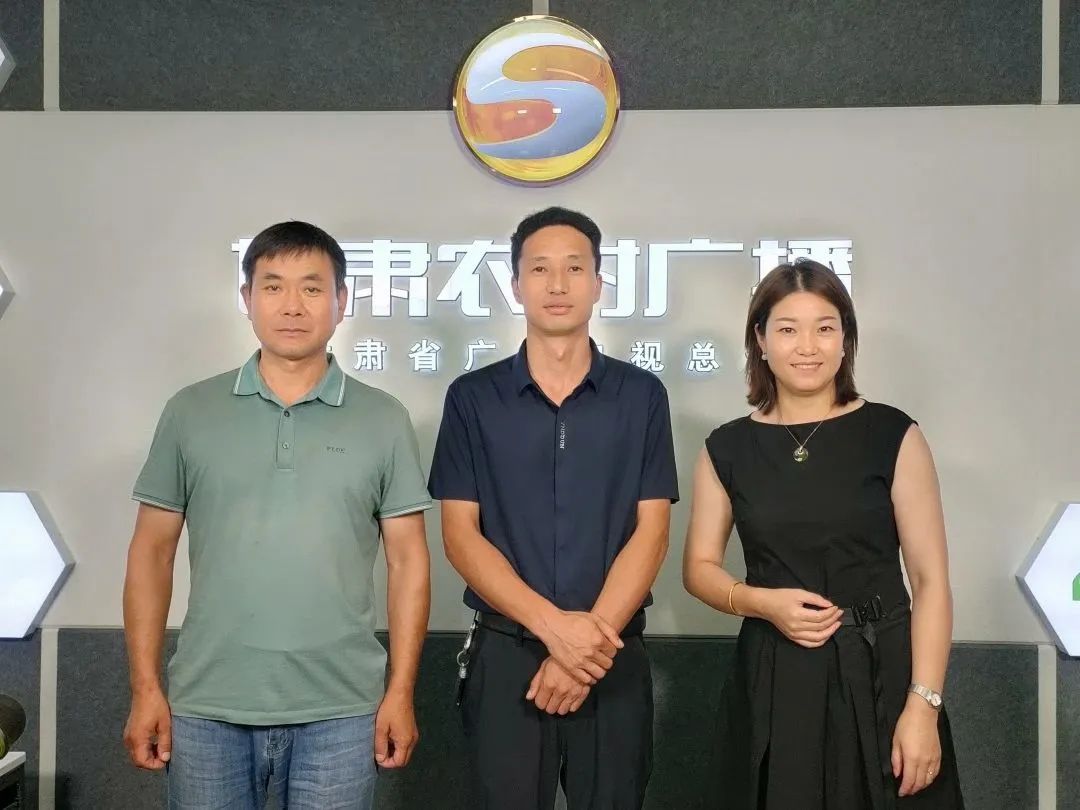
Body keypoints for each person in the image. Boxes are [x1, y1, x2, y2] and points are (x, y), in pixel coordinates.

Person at [121, 220, 432, 809]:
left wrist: (401, 692)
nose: (292, 306)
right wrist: (145, 688)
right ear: (246, 298)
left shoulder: (383, 418)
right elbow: (151, 553)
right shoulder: (190, 411)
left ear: (341, 301)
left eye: (312, 288)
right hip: (206, 705)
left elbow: (409, 562)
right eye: (272, 286)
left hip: (343, 709)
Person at [683, 259, 964, 809]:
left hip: (884, 670)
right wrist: (762, 603)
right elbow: (698, 569)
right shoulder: (727, 448)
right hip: (775, 674)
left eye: (825, 327)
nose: (807, 346)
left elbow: (930, 581)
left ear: (846, 339)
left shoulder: (892, 434)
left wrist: (923, 704)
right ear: (760, 339)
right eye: (788, 329)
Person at [428, 206, 678, 809]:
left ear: (599, 283)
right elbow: (461, 536)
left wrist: (583, 651)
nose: (558, 284)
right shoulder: (472, 398)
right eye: (540, 269)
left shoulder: (641, 395)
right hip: (506, 655)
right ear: (516, 285)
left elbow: (651, 533)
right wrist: (553, 630)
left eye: (574, 268)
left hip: (612, 654)